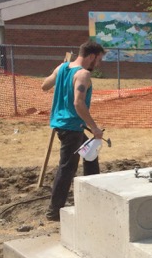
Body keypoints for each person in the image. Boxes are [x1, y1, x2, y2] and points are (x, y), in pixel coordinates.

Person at [41, 40, 105, 221]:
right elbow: (78, 103)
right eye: (98, 60)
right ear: (91, 56)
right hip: (71, 127)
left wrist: (59, 75)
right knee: (67, 167)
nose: (98, 64)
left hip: (63, 124)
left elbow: (44, 86)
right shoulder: (83, 75)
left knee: (90, 155)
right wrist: (94, 128)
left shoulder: (62, 67)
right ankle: (54, 211)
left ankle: (93, 193)